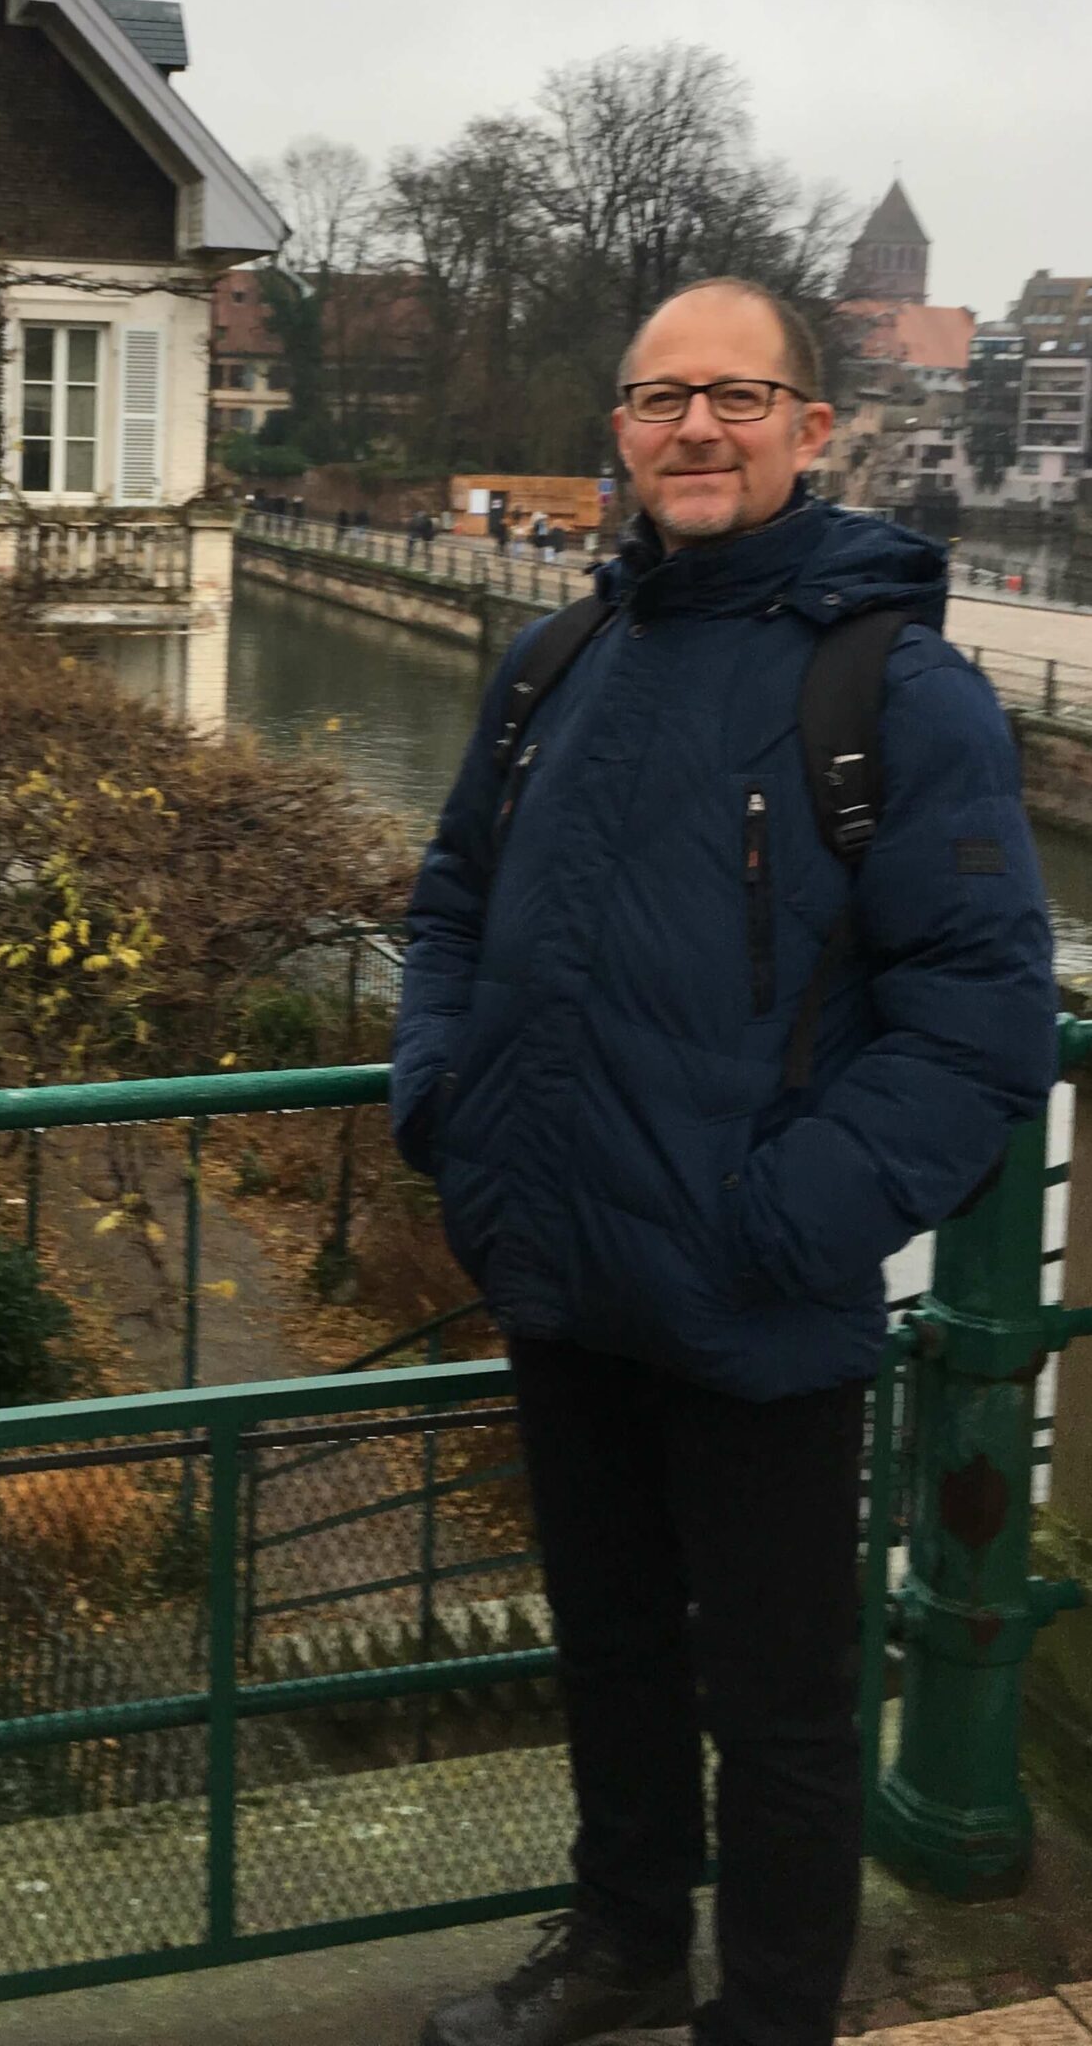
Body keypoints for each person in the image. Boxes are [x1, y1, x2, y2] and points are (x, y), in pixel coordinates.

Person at [391, 279, 1054, 2046]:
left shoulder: (896, 691)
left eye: (738, 398)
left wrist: (784, 1219)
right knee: (608, 1649)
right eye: (661, 397)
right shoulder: (555, 664)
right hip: (559, 1259)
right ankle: (626, 1947)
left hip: (755, 1290)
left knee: (780, 1709)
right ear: (617, 429)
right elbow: (450, 909)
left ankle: (768, 2017)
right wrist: (445, 1109)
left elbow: (980, 1023)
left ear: (811, 430)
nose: (696, 427)